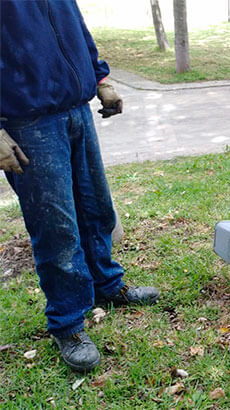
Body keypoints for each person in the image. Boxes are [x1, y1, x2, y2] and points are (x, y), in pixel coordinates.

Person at [0, 0, 159, 372]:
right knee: (56, 230)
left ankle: (107, 284)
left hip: (76, 112)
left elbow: (76, 30)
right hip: (28, 123)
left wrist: (101, 78)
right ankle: (68, 323)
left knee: (95, 208)